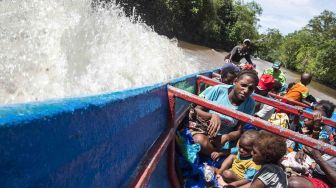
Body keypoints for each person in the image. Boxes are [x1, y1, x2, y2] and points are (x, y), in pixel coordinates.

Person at [189, 70, 259, 160]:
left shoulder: (250, 104)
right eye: (243, 85)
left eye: (250, 88)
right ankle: (215, 153)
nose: (246, 90)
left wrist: (227, 137)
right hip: (203, 130)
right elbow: (196, 110)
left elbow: (239, 130)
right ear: (235, 81)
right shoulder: (218, 90)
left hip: (223, 140)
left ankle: (217, 153)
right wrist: (212, 116)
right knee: (199, 140)